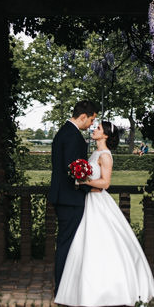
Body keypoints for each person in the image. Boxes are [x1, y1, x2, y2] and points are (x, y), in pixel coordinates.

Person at [54, 120, 154, 307]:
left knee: (102, 244)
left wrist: (84, 182)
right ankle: (84, 289)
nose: (94, 130)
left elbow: (105, 183)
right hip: (89, 202)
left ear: (105, 135)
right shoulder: (94, 153)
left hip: (98, 201)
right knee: (85, 244)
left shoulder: (105, 155)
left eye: (98, 129)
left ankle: (110, 290)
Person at [47, 99, 98, 294]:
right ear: (83, 116)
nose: (92, 124)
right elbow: (73, 170)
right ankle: (61, 287)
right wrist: (89, 189)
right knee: (67, 243)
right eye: (92, 120)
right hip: (70, 198)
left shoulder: (65, 132)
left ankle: (65, 285)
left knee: (66, 242)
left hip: (65, 197)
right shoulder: (72, 136)